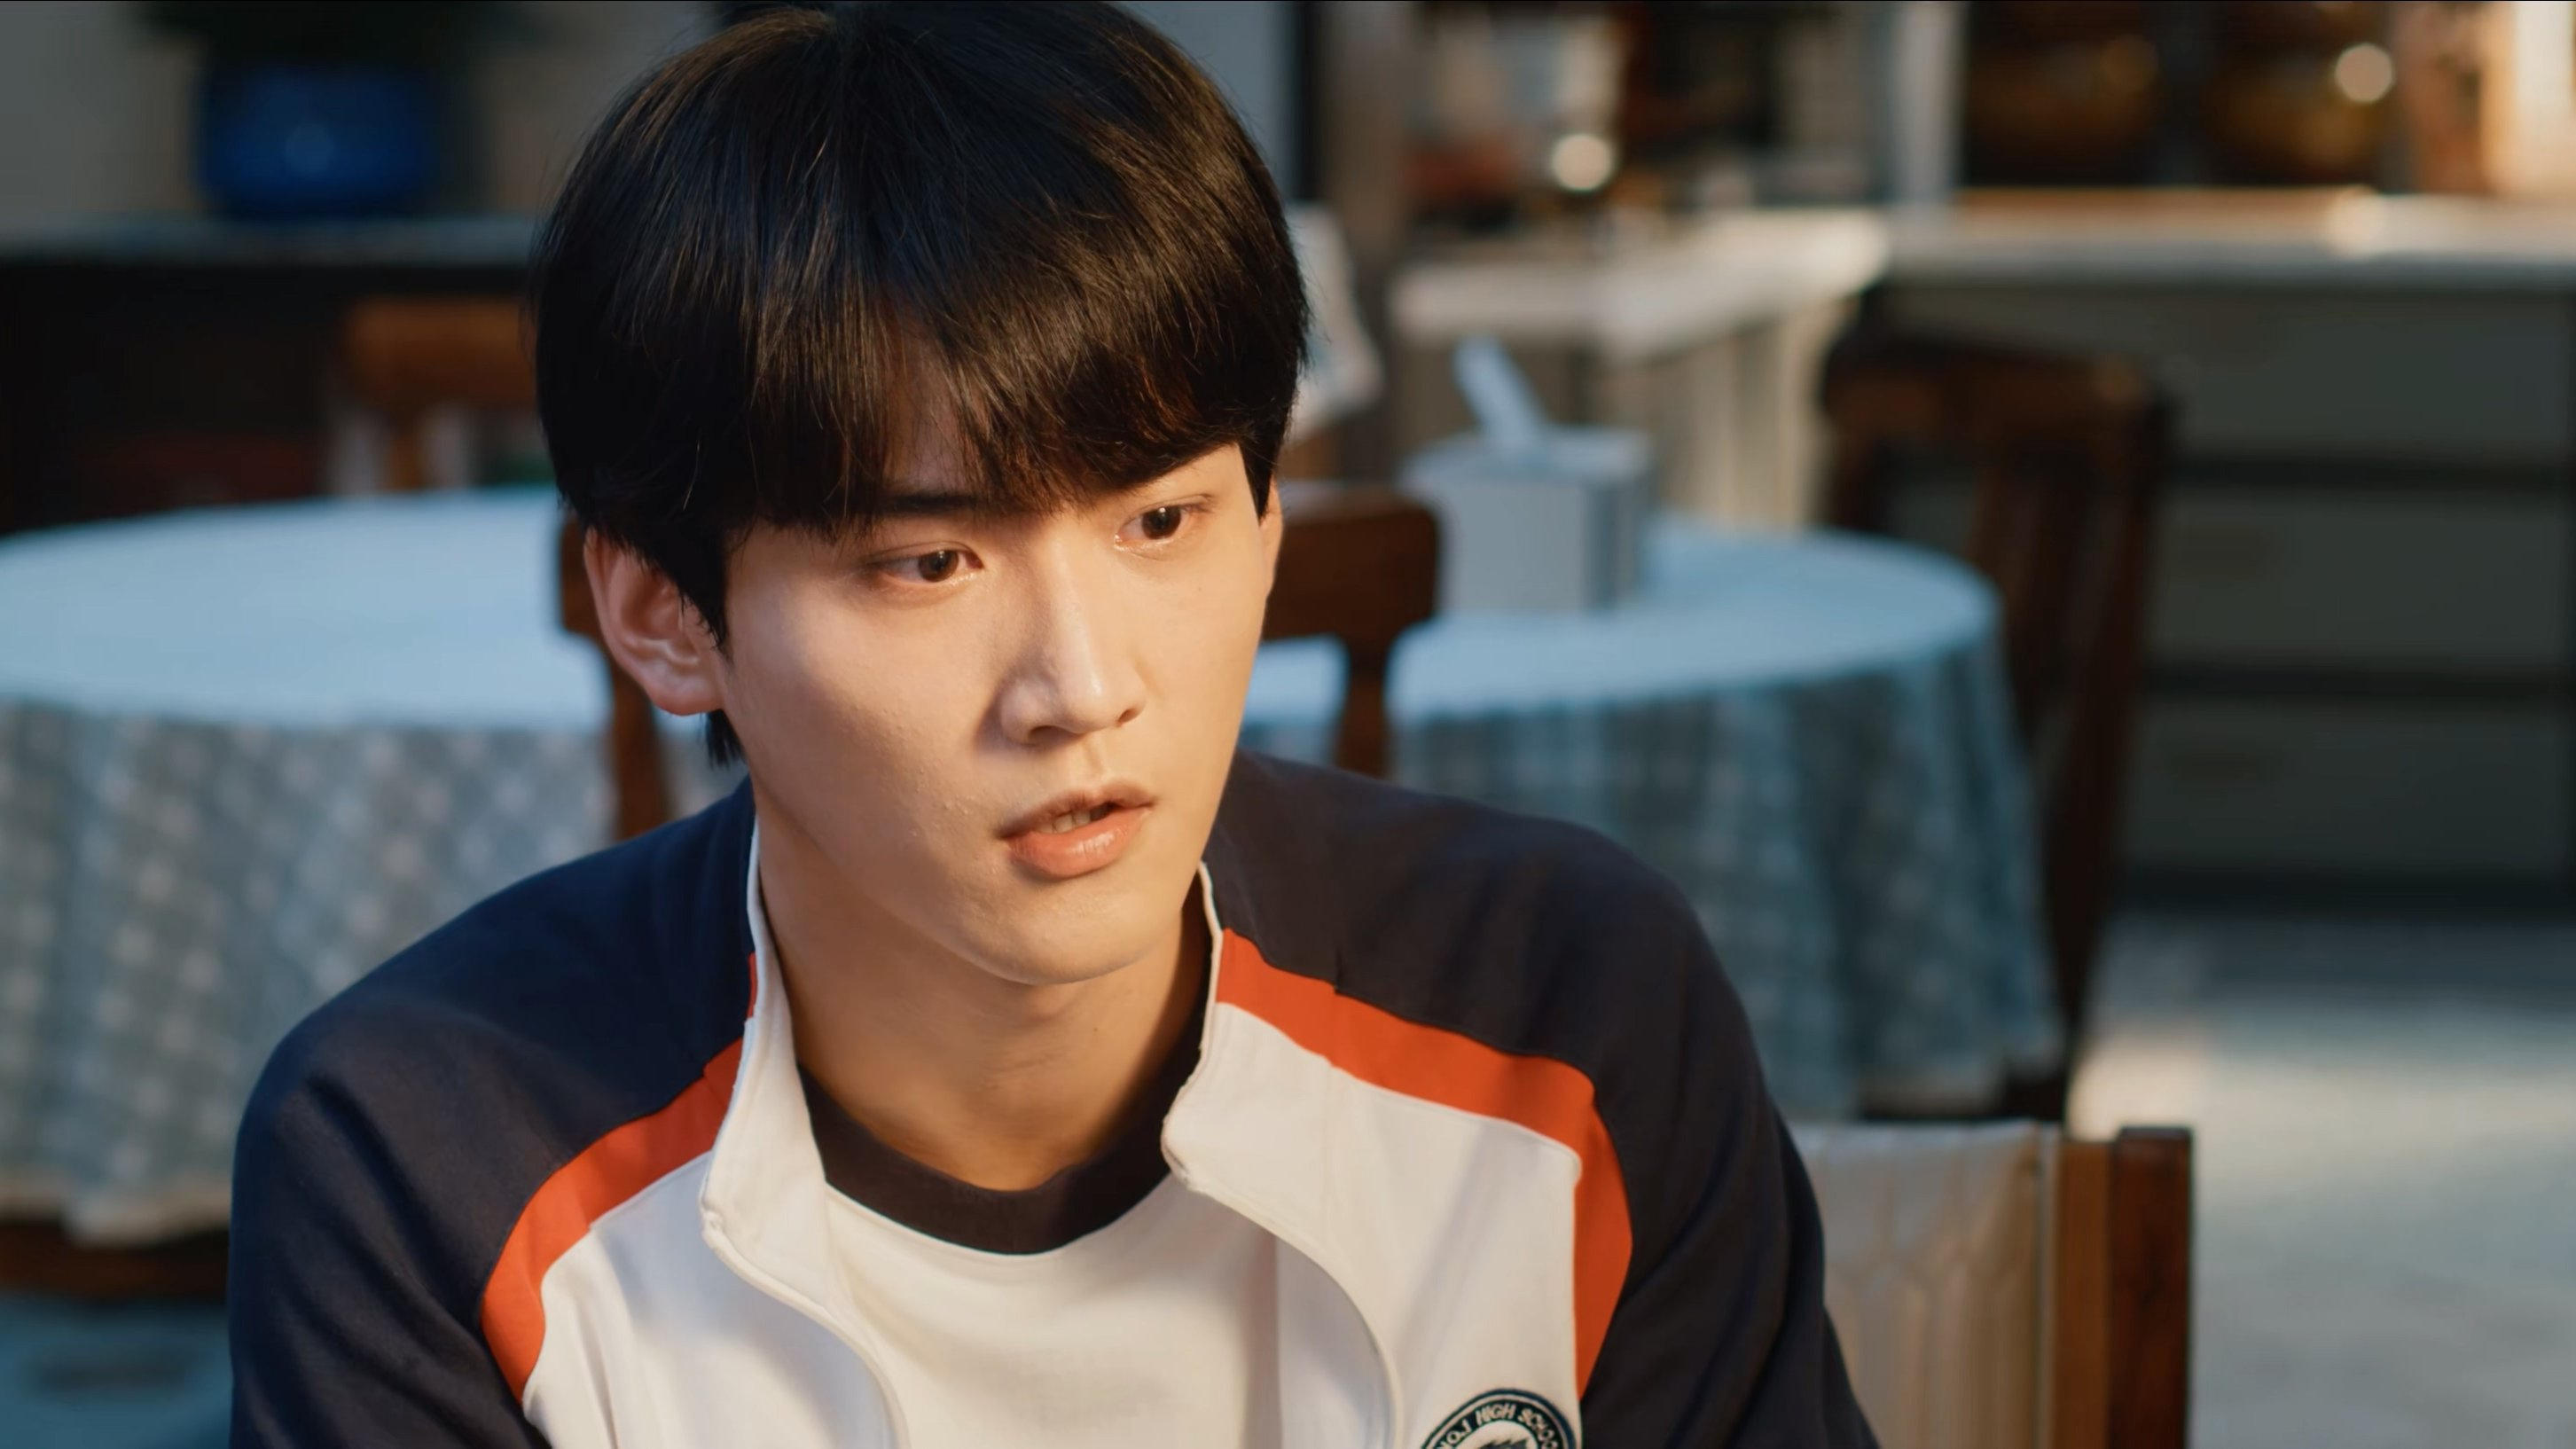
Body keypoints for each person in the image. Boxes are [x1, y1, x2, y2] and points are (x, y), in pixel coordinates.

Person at [225, 5, 1875, 1446]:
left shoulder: (1562, 1013)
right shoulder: (425, 1163)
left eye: (1159, 521)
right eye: (927, 562)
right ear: (664, 612)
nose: (1081, 687)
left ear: (1269, 525)